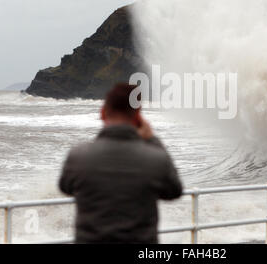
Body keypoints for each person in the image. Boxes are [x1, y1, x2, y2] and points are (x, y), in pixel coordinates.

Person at [59, 83, 183, 244]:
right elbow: (174, 191)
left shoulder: (78, 156)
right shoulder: (156, 158)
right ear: (138, 116)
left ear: (103, 112)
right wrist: (152, 140)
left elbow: (65, 187)